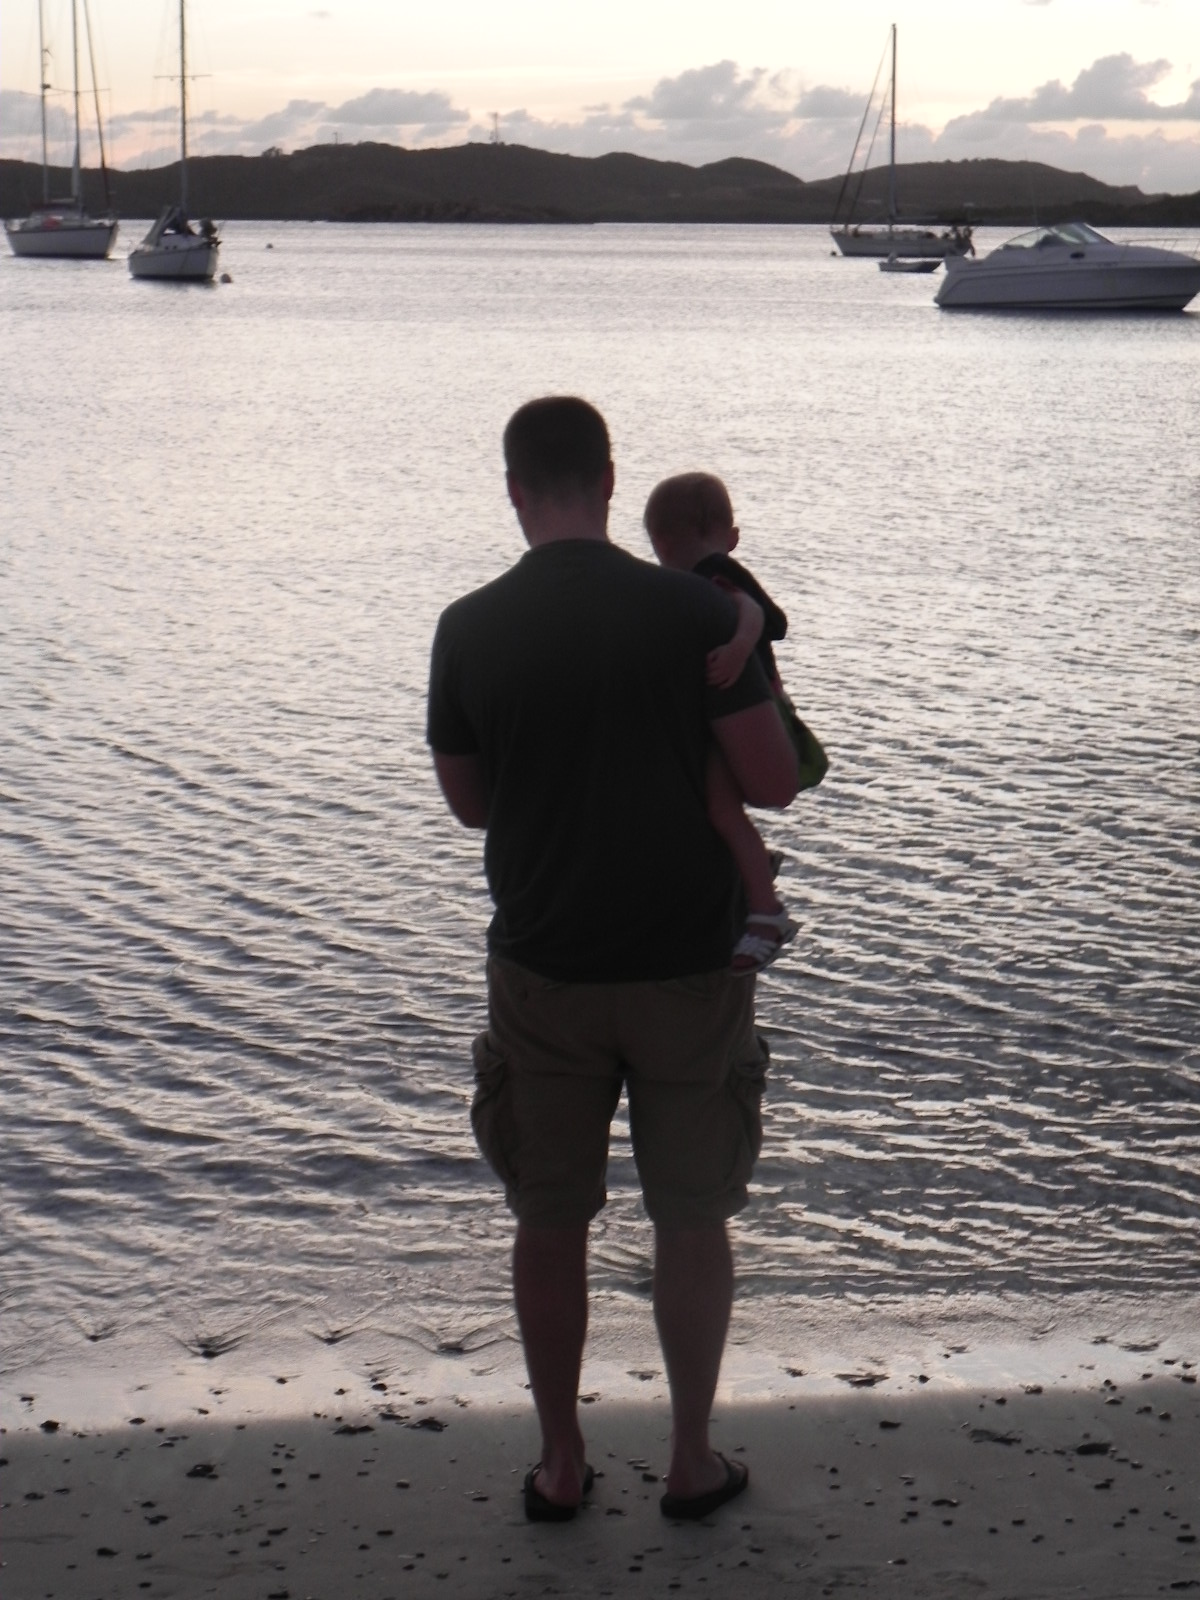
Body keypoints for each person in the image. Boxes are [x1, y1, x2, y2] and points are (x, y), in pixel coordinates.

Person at [427, 397, 800, 1524]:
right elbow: (774, 780)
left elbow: (469, 804)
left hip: (544, 965)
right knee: (691, 1214)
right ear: (606, 480)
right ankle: (689, 1460)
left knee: (550, 1217)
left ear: (513, 489)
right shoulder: (696, 609)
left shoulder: (468, 627)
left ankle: (560, 1462)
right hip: (689, 966)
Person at [643, 471, 810, 973]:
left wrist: (738, 648)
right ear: (730, 533)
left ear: (659, 541)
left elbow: (760, 615)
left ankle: (767, 913)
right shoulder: (697, 580)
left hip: (752, 713)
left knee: (720, 809)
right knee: (717, 809)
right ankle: (752, 870)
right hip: (734, 715)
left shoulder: (715, 572)